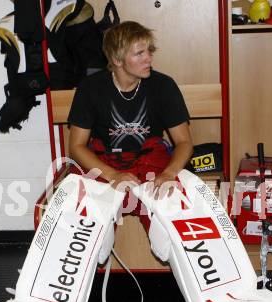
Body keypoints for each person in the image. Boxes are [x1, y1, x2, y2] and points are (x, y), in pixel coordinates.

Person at [68, 20, 193, 230]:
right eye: (139, 53)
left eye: (149, 51)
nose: (149, 58)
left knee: (173, 214)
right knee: (84, 220)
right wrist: (112, 175)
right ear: (117, 60)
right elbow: (76, 147)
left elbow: (184, 142)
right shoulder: (91, 88)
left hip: (151, 160)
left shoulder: (163, 85)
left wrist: (169, 173)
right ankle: (94, 257)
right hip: (105, 162)